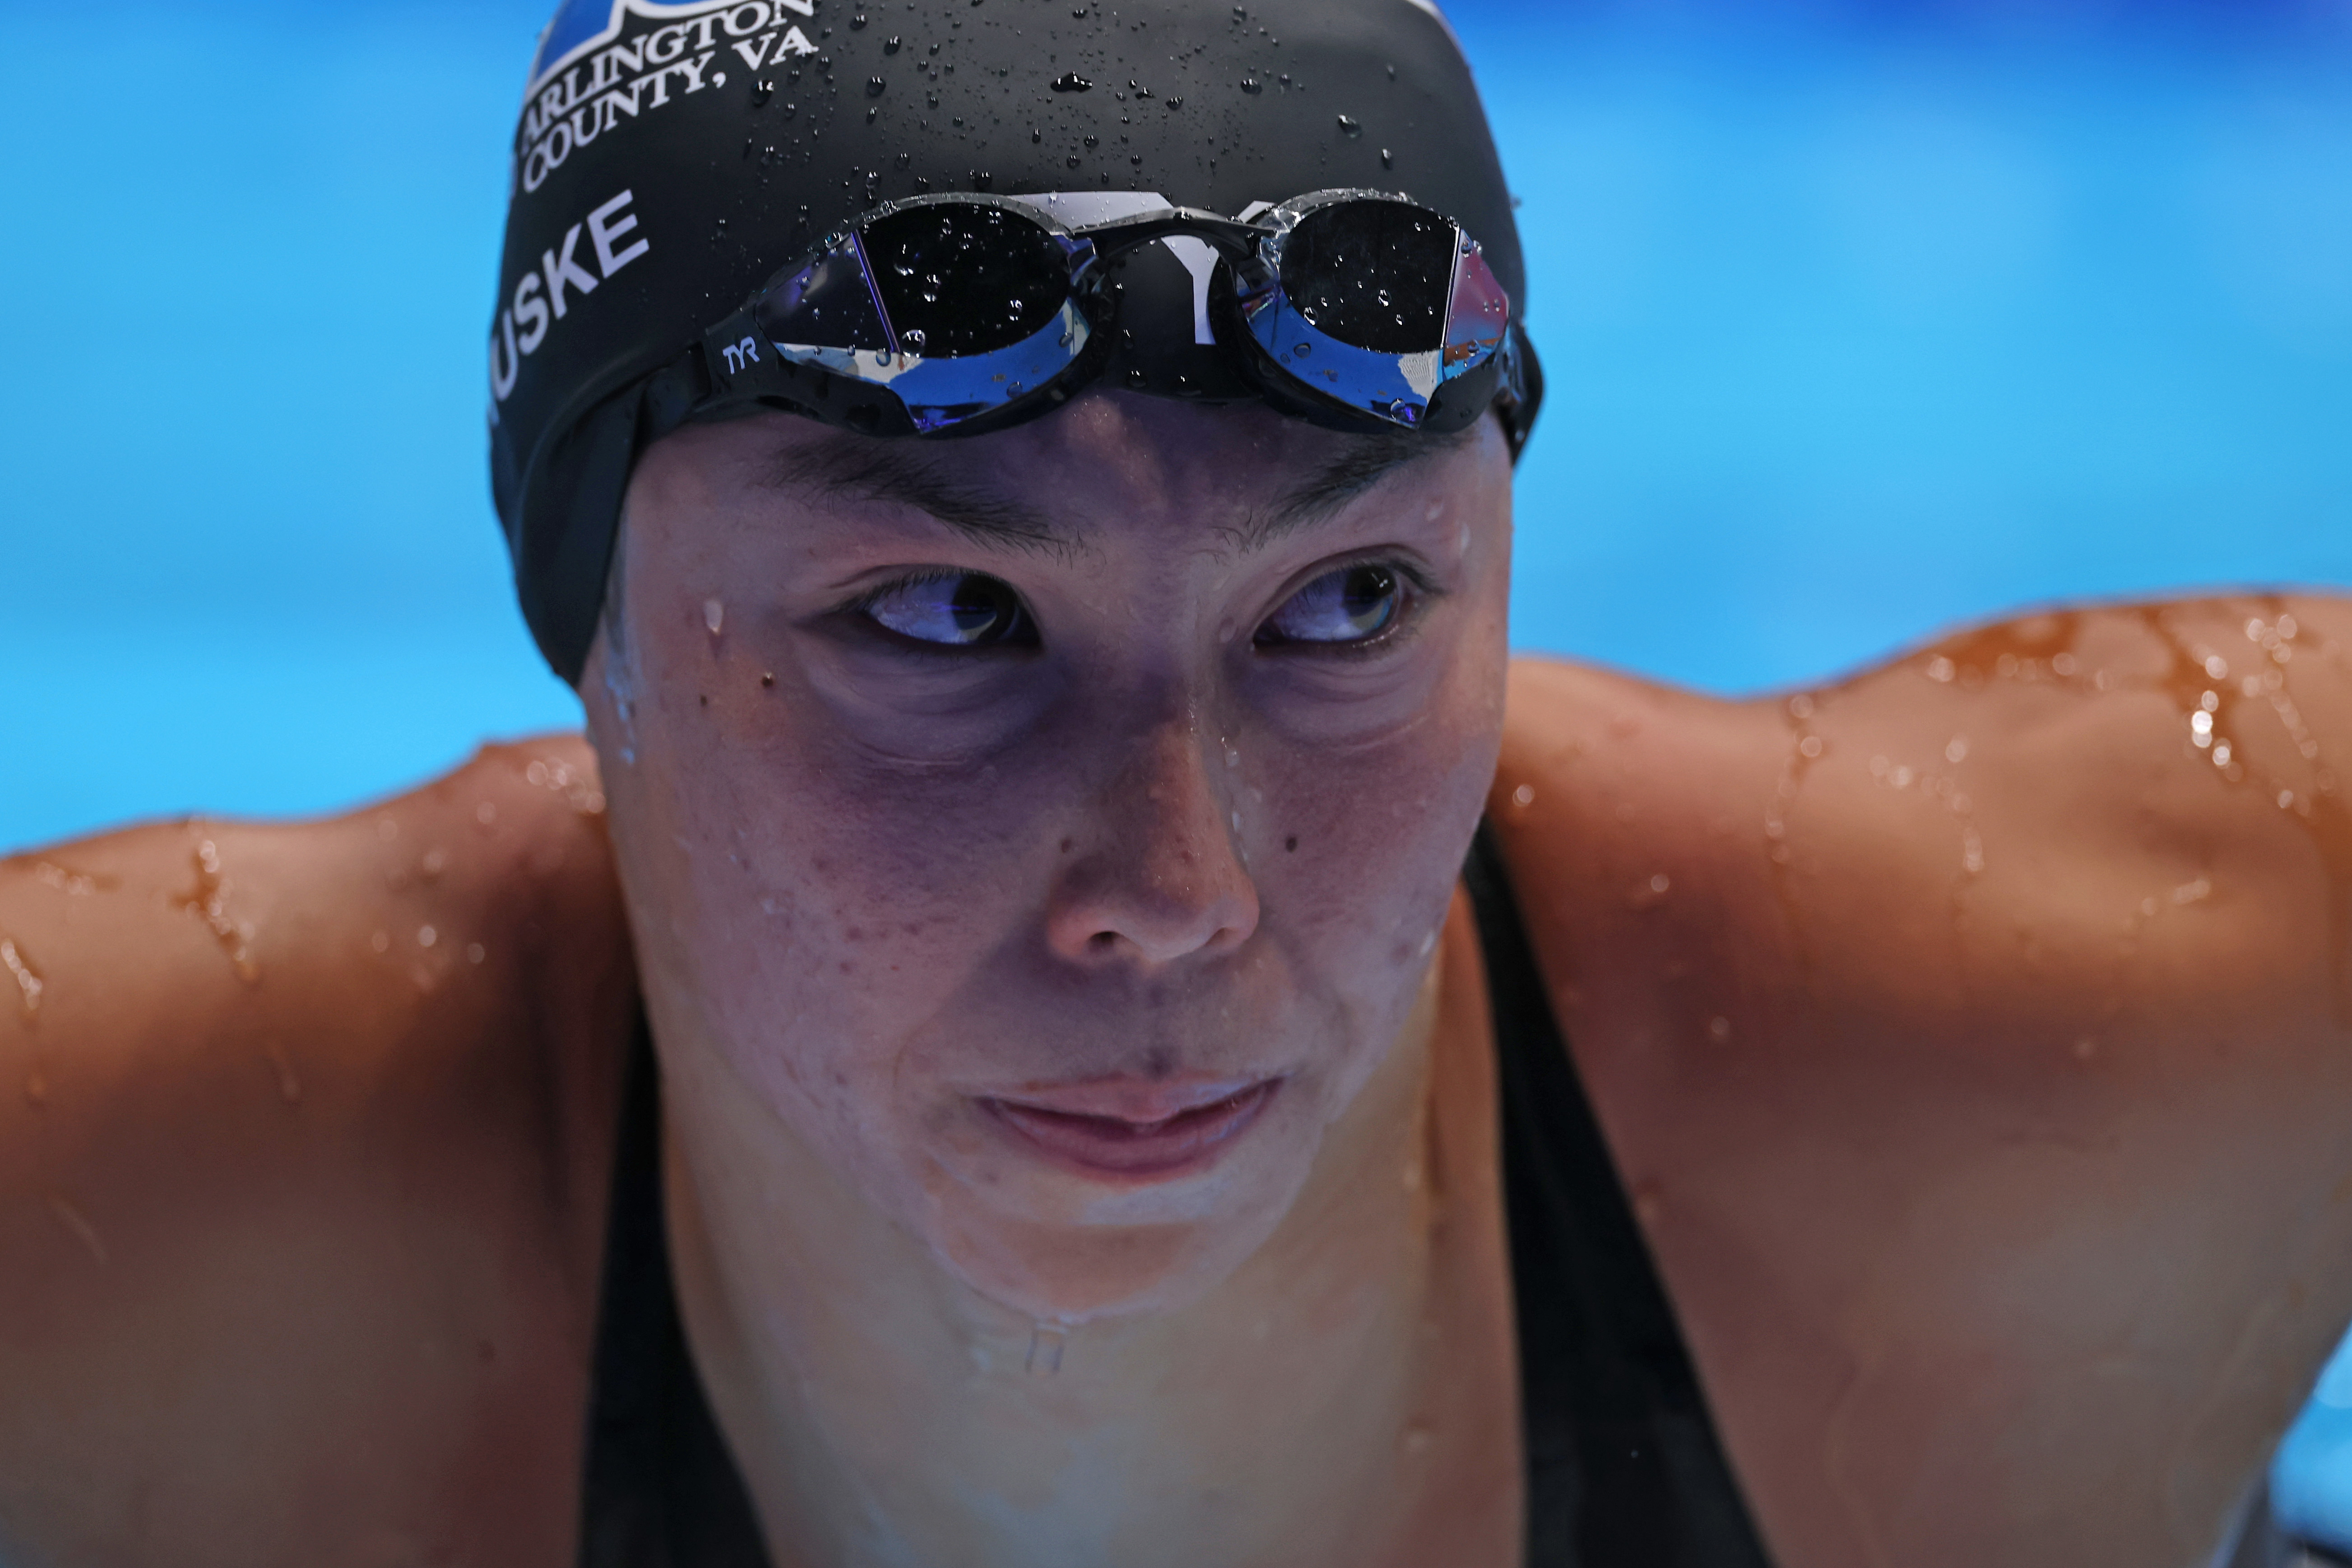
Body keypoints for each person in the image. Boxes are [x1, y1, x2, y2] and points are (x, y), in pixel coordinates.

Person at [3, 1, 2350, 1564]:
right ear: (588, 621)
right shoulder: (125, 1235)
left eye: (1344, 610)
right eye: (940, 618)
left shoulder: (2093, 1037)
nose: (1178, 887)